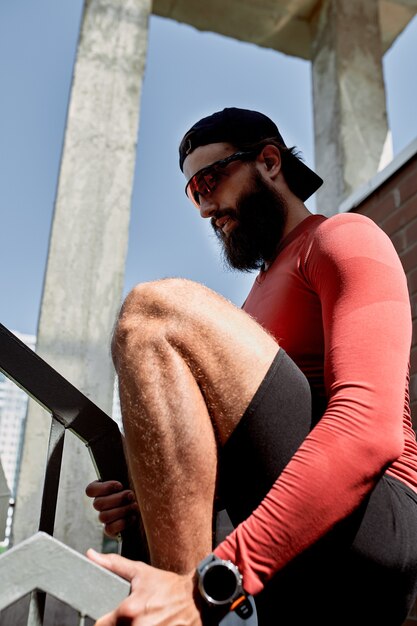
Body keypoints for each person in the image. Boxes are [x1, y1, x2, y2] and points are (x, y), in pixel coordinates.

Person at [86, 107, 417, 625]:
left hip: (371, 531)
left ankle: (187, 609)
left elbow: (367, 428)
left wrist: (212, 581)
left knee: (155, 313)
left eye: (211, 178)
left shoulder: (342, 238)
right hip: (282, 556)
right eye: (194, 193)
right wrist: (152, 496)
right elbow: (228, 460)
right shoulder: (250, 307)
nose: (204, 207)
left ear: (268, 162)